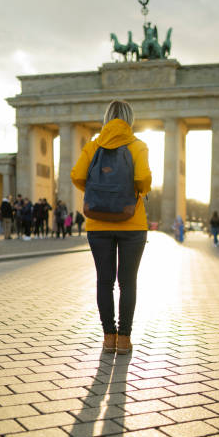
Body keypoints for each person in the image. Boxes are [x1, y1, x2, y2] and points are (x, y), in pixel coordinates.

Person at [71, 99, 151, 355]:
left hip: (97, 223)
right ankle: (125, 340)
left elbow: (76, 175)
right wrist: (138, 192)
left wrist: (98, 195)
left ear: (106, 118)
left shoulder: (93, 146)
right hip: (132, 223)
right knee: (128, 282)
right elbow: (142, 179)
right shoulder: (138, 145)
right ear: (130, 119)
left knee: (104, 281)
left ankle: (108, 338)